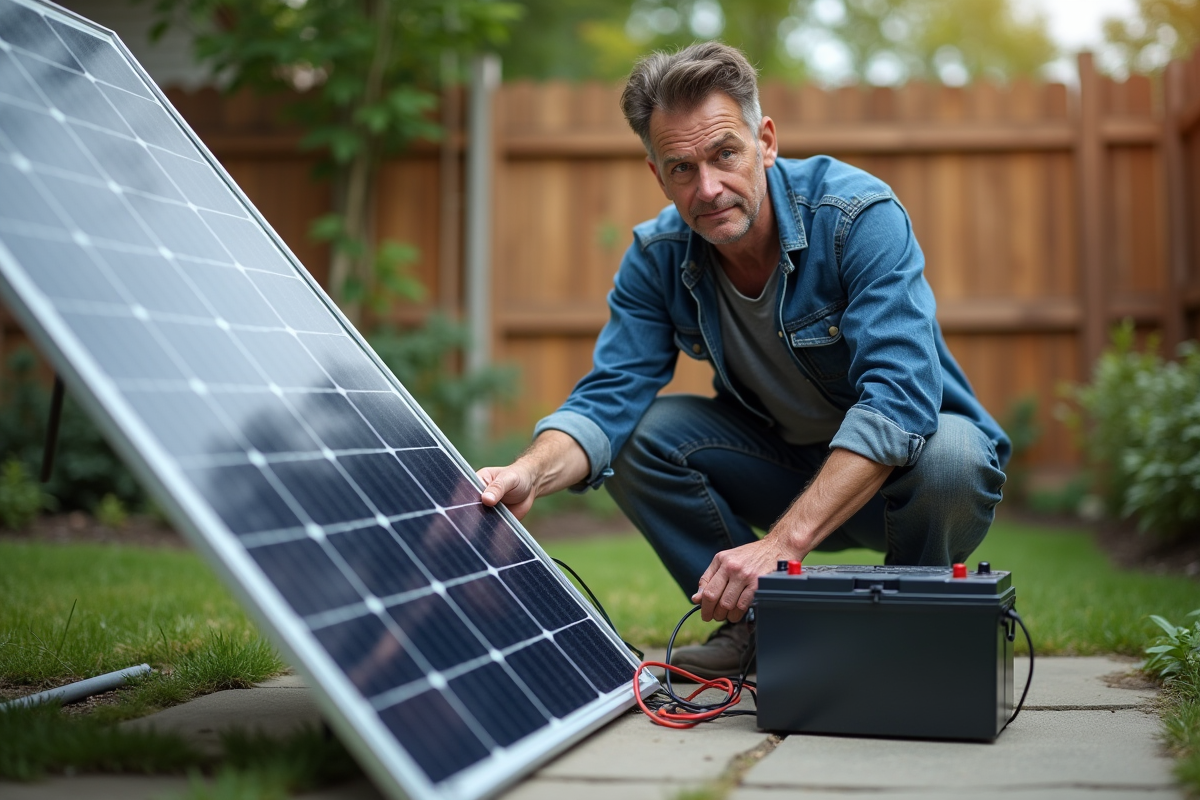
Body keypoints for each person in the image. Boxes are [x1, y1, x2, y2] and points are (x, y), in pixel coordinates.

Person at [477, 41, 1009, 679]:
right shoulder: (658, 257)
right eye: (681, 168)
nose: (708, 188)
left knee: (953, 452)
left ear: (767, 140)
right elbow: (606, 402)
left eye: (725, 154)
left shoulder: (855, 217)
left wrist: (780, 548)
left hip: (908, 480)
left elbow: (898, 403)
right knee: (644, 437)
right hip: (783, 471)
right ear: (656, 174)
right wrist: (528, 474)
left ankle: (902, 631)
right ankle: (755, 631)